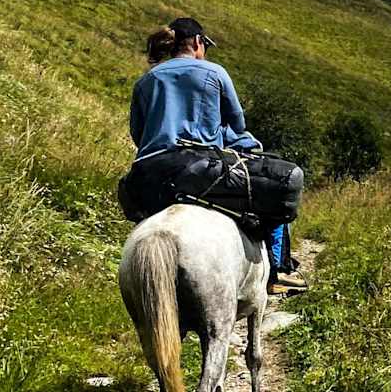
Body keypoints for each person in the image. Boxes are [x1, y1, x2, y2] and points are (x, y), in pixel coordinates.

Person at [129, 17, 308, 294]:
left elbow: (138, 134)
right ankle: (278, 270)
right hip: (199, 168)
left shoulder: (145, 82)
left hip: (146, 175)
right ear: (198, 43)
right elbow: (237, 124)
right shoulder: (213, 72)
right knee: (279, 185)